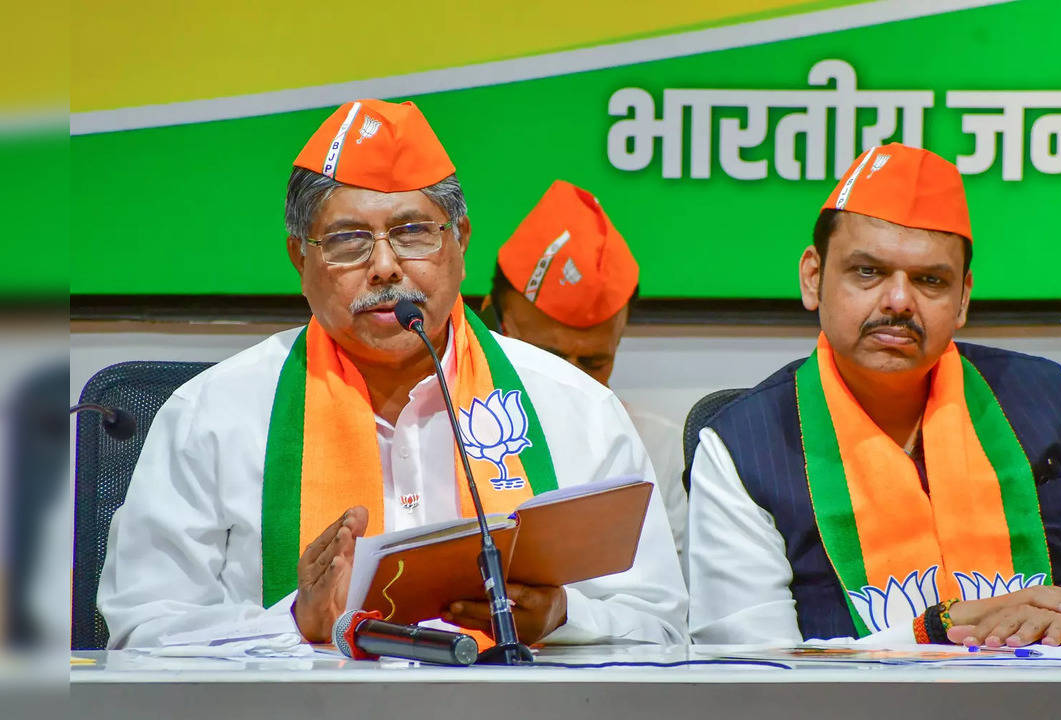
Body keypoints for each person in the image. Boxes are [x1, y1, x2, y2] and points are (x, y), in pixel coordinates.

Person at [98, 99, 687, 649]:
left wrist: (562, 616)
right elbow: (141, 629)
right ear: (300, 259)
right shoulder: (213, 413)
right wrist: (297, 621)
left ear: (459, 243)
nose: (384, 266)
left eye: (411, 233)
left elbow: (663, 623)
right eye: (348, 241)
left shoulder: (575, 409)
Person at [687, 143, 1061, 648]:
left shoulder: (1052, 402)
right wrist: (935, 631)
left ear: (964, 298)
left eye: (930, 280)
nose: (899, 301)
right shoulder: (740, 442)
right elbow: (748, 665)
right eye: (868, 271)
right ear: (814, 277)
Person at [480, 180, 687, 576]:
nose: (571, 385)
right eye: (548, 358)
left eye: (593, 363)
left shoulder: (661, 455)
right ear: (494, 322)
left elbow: (666, 622)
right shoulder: (433, 432)